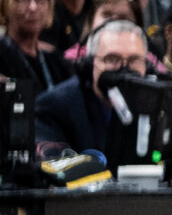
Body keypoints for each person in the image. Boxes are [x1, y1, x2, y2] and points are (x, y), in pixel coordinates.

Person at [30, 18, 153, 151]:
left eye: (134, 60)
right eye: (112, 59)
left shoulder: (156, 104)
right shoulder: (54, 107)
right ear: (90, 63)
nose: (124, 69)